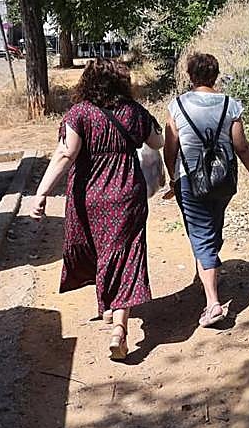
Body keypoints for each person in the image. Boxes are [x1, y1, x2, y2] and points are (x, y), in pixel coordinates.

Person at [33, 59, 164, 360]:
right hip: (127, 193)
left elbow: (67, 153)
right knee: (126, 253)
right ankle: (119, 325)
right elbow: (156, 141)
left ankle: (111, 312)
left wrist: (42, 192)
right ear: (122, 84)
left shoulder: (79, 113)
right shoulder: (133, 112)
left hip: (89, 195)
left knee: (101, 250)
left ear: (88, 82)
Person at [164, 52, 249, 328]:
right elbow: (242, 147)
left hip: (189, 179)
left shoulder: (177, 106)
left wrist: (172, 177)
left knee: (200, 234)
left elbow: (170, 148)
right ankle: (210, 263)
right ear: (215, 75)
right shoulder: (230, 105)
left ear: (190, 76)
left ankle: (212, 303)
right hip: (223, 181)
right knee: (212, 226)